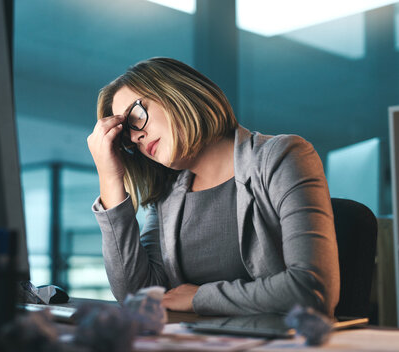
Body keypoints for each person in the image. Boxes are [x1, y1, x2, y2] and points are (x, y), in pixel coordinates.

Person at [87, 57, 340, 317]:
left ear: (177, 91)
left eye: (137, 116)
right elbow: (137, 296)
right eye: (128, 139)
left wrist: (199, 297)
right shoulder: (168, 197)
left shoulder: (282, 156)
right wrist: (110, 177)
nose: (136, 137)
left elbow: (312, 289)